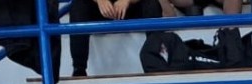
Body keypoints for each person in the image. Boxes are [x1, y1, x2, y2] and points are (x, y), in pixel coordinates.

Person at [68, 0, 241, 78]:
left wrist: (126, 0)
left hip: (128, 8)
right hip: (100, 9)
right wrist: (100, 1)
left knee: (151, 4)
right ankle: (79, 69)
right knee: (78, 6)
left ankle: (157, 60)